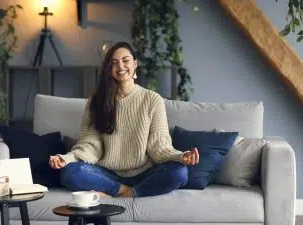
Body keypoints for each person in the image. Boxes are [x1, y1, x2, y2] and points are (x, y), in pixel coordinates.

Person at [49, 41, 199, 198]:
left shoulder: (152, 99)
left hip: (145, 173)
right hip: (107, 174)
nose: (120, 66)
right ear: (109, 69)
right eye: (114, 63)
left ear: (135, 64)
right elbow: (90, 145)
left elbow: (158, 145)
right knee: (70, 172)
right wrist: (67, 158)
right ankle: (122, 190)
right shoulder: (96, 101)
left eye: (125, 60)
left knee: (180, 172)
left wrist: (180, 156)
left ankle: (128, 193)